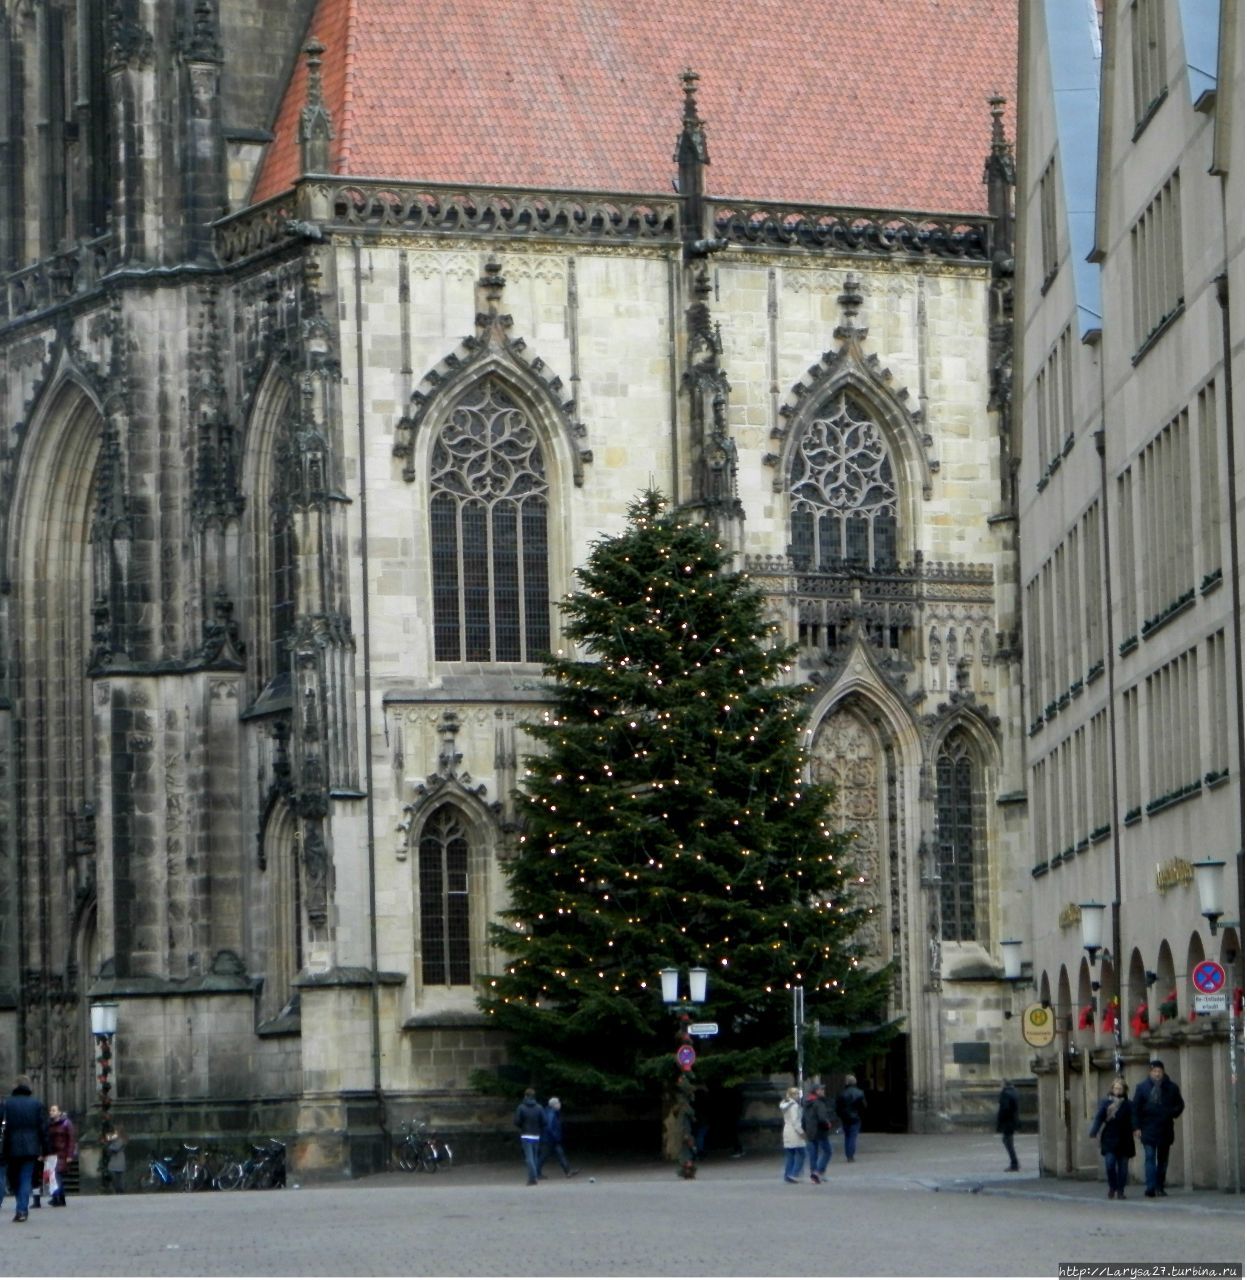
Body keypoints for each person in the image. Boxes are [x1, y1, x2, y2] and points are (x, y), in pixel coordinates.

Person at [1132, 1058, 1185, 1198]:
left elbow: (1179, 1105)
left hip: (1165, 1127)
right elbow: (1135, 1108)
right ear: (1150, 1072)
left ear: (1163, 1072)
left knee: (1162, 1160)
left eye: (1159, 1071)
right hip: (1148, 1127)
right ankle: (1150, 1187)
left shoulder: (1171, 1087)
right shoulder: (1142, 1087)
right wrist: (1136, 1127)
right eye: (1154, 1071)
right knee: (1149, 1157)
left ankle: (1159, 1186)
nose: (1157, 1074)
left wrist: (1172, 1112)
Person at [0, 1075, 49, 1222]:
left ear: (15, 1087)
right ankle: (22, 1209)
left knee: (14, 1178)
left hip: (11, 1147)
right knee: (26, 1177)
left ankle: (20, 1207)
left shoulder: (7, 1104)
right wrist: (46, 1149)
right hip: (31, 1146)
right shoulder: (36, 1104)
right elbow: (43, 1129)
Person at [1089, 1076, 1135, 1199]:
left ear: (1124, 1090)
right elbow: (1099, 1117)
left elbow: (1134, 1119)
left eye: (1120, 1088)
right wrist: (1094, 1131)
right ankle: (1112, 1186)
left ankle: (1120, 1190)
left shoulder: (1129, 1105)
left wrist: (1137, 1129)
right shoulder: (1105, 1103)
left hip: (1125, 1138)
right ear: (1112, 1089)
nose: (1118, 1090)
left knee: (1123, 1167)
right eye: (1116, 1088)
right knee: (1109, 1164)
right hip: (1109, 1137)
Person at [44, 1103, 77, 1206]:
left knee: (56, 1176)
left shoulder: (66, 1123)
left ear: (59, 1112)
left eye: (54, 1110)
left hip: (62, 1153)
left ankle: (57, 1198)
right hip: (51, 1153)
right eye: (50, 1110)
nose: (51, 1112)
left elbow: (71, 1140)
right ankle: (60, 1198)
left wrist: (70, 1155)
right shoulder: (49, 1124)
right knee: (52, 1177)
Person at [538, 1097, 578, 1178]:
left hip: (550, 1139)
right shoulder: (551, 1114)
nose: (560, 1104)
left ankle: (568, 1171)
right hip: (550, 1139)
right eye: (558, 1103)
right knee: (544, 1156)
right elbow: (549, 1127)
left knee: (558, 1155)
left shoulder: (551, 1112)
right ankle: (536, 1172)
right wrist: (556, 1137)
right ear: (554, 1105)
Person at [801, 1082, 832, 1183]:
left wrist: (805, 1129)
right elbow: (822, 1118)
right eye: (821, 1090)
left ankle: (814, 1173)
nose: (823, 1091)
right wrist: (828, 1124)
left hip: (810, 1131)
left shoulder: (807, 1103)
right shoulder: (819, 1103)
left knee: (813, 1154)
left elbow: (803, 1118)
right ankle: (818, 1172)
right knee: (827, 1151)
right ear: (816, 1091)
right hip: (820, 1131)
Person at [514, 1087, 545, 1186]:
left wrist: (522, 1126)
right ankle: (534, 1175)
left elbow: (517, 1121)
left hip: (526, 1134)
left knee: (529, 1158)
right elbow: (544, 1121)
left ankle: (533, 1177)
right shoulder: (539, 1107)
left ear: (525, 1096)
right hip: (536, 1135)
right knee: (535, 1157)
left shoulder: (521, 1107)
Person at [834, 1075, 867, 1162]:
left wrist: (840, 1115)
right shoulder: (860, 1093)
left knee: (847, 1136)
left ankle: (848, 1154)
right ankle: (850, 1156)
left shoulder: (842, 1093)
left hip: (845, 1117)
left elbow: (837, 1107)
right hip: (856, 1117)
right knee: (853, 1136)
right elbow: (864, 1106)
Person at [779, 1085, 806, 1182]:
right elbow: (796, 1121)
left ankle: (787, 1174)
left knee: (790, 1155)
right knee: (801, 1153)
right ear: (792, 1095)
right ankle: (794, 1173)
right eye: (796, 1093)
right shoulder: (794, 1106)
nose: (798, 1095)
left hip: (787, 1130)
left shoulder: (784, 1104)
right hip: (794, 1132)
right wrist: (802, 1133)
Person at [996, 1078, 1020, 1171]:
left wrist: (1000, 1120)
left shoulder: (1005, 1093)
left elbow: (1004, 1109)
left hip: (1007, 1122)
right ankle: (1014, 1163)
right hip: (1013, 1121)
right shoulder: (1015, 1092)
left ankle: (1014, 1163)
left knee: (1008, 1143)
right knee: (1008, 1142)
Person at [104, 1127, 127, 1194]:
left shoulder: (121, 1139)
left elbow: (115, 1148)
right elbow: (107, 1138)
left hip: (118, 1160)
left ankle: (119, 1189)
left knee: (118, 1177)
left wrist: (109, 1146)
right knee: (115, 1176)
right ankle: (118, 1189)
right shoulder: (115, 1137)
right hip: (114, 1160)